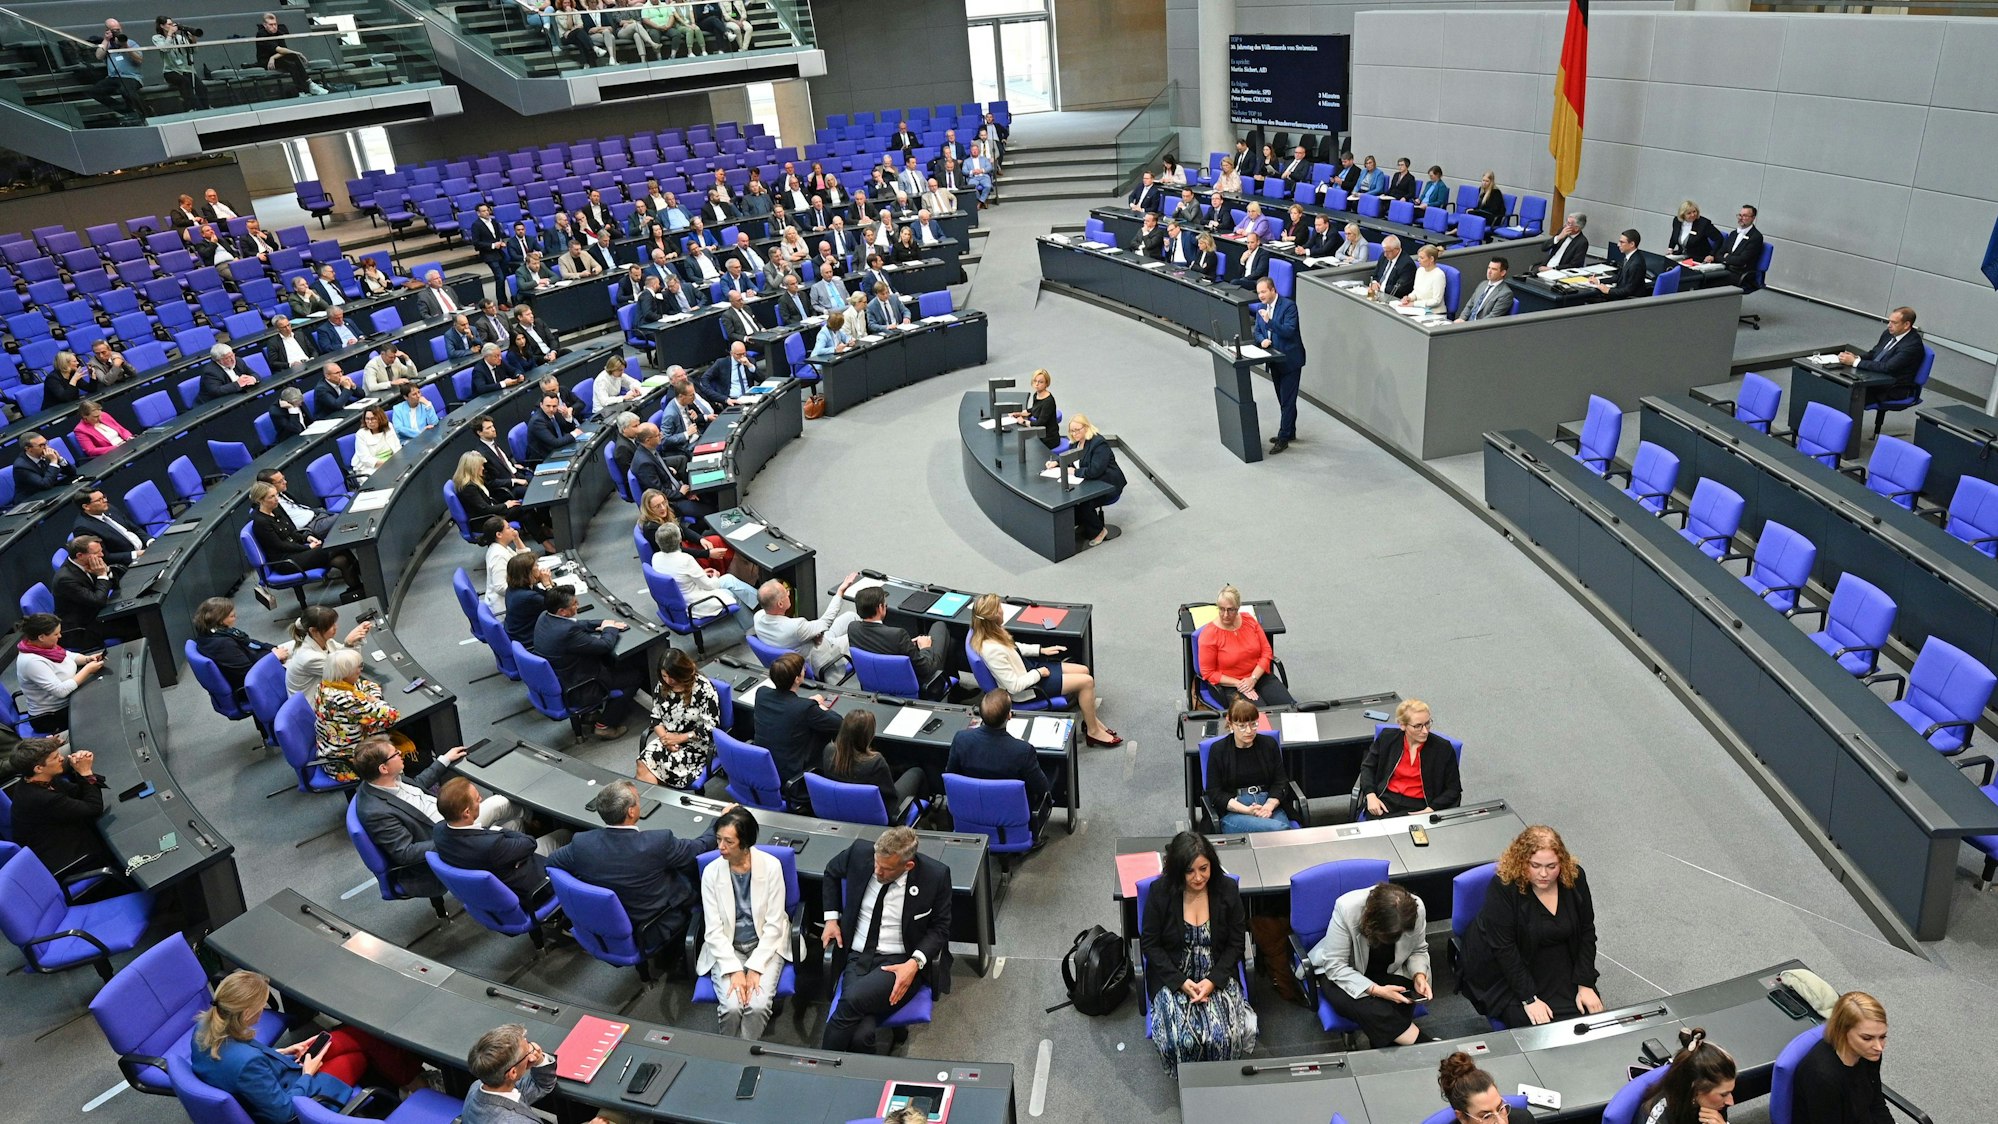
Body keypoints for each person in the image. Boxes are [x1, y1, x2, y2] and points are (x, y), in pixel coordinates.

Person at [195, 970, 423, 1123]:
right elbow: (284, 1113)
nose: (265, 1006)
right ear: (246, 1013)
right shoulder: (247, 1063)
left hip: (279, 1075)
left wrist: (282, 1051)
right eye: (262, 1004)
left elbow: (244, 1059)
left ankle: (410, 1081)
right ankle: (416, 1084)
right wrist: (307, 1074)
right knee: (362, 1051)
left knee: (360, 1037)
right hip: (303, 1098)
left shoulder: (205, 1028)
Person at [820, 826, 954, 1053]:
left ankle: (819, 1069)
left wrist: (914, 964)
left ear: (908, 866)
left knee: (850, 1001)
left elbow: (940, 928)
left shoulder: (935, 875)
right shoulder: (859, 853)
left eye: (886, 869)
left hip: (900, 961)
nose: (877, 871)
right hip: (858, 955)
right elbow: (831, 871)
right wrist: (831, 919)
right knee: (861, 1036)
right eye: (876, 864)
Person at [547, 780, 718, 956]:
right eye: (638, 799)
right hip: (652, 926)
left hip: (607, 922)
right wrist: (718, 822)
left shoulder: (582, 844)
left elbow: (552, 863)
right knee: (696, 870)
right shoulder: (658, 842)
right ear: (631, 811)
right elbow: (700, 848)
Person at [1460, 823, 1602, 1027]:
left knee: (1587, 1019)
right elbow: (1504, 949)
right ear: (1521, 861)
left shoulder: (1575, 877)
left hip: (1557, 955)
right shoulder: (1503, 887)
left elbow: (1587, 932)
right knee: (1536, 1027)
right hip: (1508, 964)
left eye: (1552, 866)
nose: (1544, 874)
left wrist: (1585, 983)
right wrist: (1529, 998)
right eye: (1535, 866)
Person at [1139, 831, 1253, 1075]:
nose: (1198, 877)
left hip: (1217, 972)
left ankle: (1219, 1080)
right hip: (1174, 974)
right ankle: (1188, 1083)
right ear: (1178, 870)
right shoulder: (1160, 892)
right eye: (1190, 871)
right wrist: (1180, 982)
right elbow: (1150, 944)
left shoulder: (1227, 889)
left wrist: (1213, 981)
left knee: (1226, 1035)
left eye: (1204, 868)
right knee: (1178, 1040)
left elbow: (1236, 943)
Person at [968, 592, 1118, 745]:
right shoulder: (991, 650)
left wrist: (1040, 650)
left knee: (1084, 670)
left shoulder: (990, 633)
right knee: (1087, 682)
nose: (1003, 610)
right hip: (1029, 688)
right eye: (999, 608)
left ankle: (1089, 719)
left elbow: (1013, 648)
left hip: (1029, 669)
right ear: (993, 616)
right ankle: (1093, 732)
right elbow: (1014, 686)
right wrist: (1039, 673)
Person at [697, 806, 791, 1039]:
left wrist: (756, 967)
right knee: (732, 1006)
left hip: (766, 945)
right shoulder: (711, 872)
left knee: (757, 1006)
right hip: (728, 946)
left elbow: (774, 924)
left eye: (728, 841)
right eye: (718, 839)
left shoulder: (771, 867)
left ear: (745, 842)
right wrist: (734, 969)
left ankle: (745, 1051)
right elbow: (714, 930)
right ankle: (728, 1050)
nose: (720, 847)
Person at [1308, 881, 1434, 1048]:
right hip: (1344, 974)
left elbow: (1418, 950)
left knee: (1402, 998)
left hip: (1390, 970)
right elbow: (1335, 965)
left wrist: (1419, 975)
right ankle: (1423, 1045)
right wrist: (1377, 991)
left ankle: (1395, 1048)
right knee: (1373, 1009)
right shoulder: (1346, 908)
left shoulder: (1416, 910)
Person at [353, 738, 476, 901]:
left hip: (450, 817)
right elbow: (405, 853)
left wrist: (444, 760)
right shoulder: (375, 812)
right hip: (447, 837)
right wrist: (453, 837)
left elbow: (416, 786)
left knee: (504, 811)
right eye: (396, 754)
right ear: (384, 768)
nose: (401, 754)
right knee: (505, 814)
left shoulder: (386, 781)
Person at [536, 586, 647, 737]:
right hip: (581, 685)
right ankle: (605, 725)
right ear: (562, 611)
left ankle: (593, 713)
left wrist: (605, 622)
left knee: (614, 662)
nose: (577, 606)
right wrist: (610, 629)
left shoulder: (545, 617)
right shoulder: (566, 632)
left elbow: (577, 625)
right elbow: (604, 646)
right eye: (574, 604)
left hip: (562, 677)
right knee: (636, 675)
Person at [433, 777, 553, 907]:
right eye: (477, 798)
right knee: (563, 835)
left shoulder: (439, 831)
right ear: (466, 812)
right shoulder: (490, 845)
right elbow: (530, 843)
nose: (481, 799)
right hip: (530, 888)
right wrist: (500, 831)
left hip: (492, 880)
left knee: (515, 824)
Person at [947, 691, 1053, 834]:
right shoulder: (1023, 751)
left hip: (971, 813)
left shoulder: (960, 739)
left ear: (980, 713)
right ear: (1009, 716)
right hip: (1010, 817)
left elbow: (950, 776)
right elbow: (1042, 788)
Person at [7, 737, 116, 876]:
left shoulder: (38, 780)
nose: (62, 758)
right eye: (55, 757)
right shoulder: (41, 798)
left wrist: (79, 770)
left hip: (60, 833)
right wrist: (86, 773)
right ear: (39, 768)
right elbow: (93, 809)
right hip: (67, 858)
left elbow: (77, 793)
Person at [248, 479, 362, 602]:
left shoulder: (276, 509)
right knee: (335, 546)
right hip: (286, 561)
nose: (277, 498)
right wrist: (308, 547)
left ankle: (359, 590)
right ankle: (365, 579)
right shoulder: (260, 522)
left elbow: (292, 530)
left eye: (276, 494)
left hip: (298, 551)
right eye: (271, 497)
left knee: (341, 560)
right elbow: (280, 546)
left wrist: (307, 537)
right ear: (260, 500)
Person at [1791, 991, 1892, 1124]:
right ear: (1842, 1031)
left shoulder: (1869, 1054)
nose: (1879, 1047)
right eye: (1867, 1038)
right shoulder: (1823, 1077)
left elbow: (1876, 1102)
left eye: (1882, 1037)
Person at [1353, 698, 1462, 817]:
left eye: (1427, 723)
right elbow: (1367, 767)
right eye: (1418, 726)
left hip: (1421, 805)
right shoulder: (1387, 738)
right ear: (1402, 725)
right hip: (1386, 799)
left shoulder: (1443, 749)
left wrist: (1432, 809)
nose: (1425, 731)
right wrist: (1371, 795)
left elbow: (1454, 789)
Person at [314, 649, 411, 783]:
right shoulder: (346, 700)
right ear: (345, 672)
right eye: (357, 668)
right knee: (397, 761)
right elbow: (392, 716)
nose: (360, 671)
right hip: (346, 763)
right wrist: (376, 701)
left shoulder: (326, 685)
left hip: (334, 749)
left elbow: (369, 685)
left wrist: (371, 699)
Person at [636, 648, 724, 790]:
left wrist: (679, 739)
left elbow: (710, 727)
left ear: (683, 672)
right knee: (642, 762)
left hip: (696, 745)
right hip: (667, 739)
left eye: (672, 676)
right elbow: (656, 718)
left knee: (655, 767)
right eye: (664, 676)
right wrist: (667, 740)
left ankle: (653, 803)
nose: (668, 681)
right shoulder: (662, 686)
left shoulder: (703, 688)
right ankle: (650, 804)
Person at [753, 653, 843, 788]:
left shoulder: (761, 693)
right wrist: (820, 706)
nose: (805, 669)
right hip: (794, 778)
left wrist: (809, 704)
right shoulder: (805, 708)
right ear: (797, 679)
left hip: (765, 769)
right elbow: (839, 723)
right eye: (802, 668)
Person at [1204, 697, 1295, 832]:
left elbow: (1280, 781)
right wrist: (1247, 810)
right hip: (1236, 809)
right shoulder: (1218, 750)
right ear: (1230, 723)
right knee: (1281, 831)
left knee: (1279, 831)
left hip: (1267, 803)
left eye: (1254, 724)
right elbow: (1215, 792)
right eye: (1242, 726)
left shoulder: (1268, 744)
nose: (1249, 731)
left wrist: (1269, 806)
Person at [460, 1025, 580, 1124]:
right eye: (527, 1051)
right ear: (513, 1072)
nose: (532, 1051)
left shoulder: (477, 1087)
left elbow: (541, 1086)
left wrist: (539, 1061)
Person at [847, 585, 949, 697]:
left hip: (874, 684)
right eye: (885, 604)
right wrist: (925, 648)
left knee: (949, 642)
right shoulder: (898, 635)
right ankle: (949, 689)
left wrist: (907, 645)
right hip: (916, 685)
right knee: (940, 626)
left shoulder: (853, 628)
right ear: (880, 608)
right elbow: (925, 669)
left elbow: (878, 644)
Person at [823, 709, 926, 819]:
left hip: (840, 806)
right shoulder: (875, 762)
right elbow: (891, 798)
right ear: (868, 735)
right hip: (881, 813)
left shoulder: (829, 750)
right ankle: (925, 815)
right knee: (917, 772)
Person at [753, 573, 859, 675]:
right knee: (863, 634)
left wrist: (812, 634)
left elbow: (803, 633)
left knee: (851, 616)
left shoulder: (758, 617)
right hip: (825, 655)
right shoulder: (795, 627)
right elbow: (825, 622)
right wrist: (840, 592)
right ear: (780, 604)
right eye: (786, 592)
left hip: (811, 643)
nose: (789, 593)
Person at [1048, 414, 1126, 549]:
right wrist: (1055, 462)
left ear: (1086, 427)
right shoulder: (1075, 442)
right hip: (1090, 482)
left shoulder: (1098, 443)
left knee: (1085, 502)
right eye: (1072, 431)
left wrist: (1074, 472)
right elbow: (1067, 457)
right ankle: (1084, 523)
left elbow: (1094, 471)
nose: (1074, 433)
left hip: (1107, 484)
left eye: (1077, 430)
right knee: (1071, 499)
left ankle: (1099, 531)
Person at [15, 614, 103, 733]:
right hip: (52, 716)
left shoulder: (43, 646)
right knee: (100, 708)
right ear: (41, 637)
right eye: (56, 634)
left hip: (70, 698)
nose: (60, 636)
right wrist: (87, 670)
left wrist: (87, 659)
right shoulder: (31, 662)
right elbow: (60, 691)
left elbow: (68, 655)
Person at [192, 596, 288, 697]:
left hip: (252, 665)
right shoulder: (223, 645)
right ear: (220, 620)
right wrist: (274, 658)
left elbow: (248, 642)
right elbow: (248, 673)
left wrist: (270, 648)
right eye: (232, 616)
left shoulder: (213, 633)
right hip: (253, 687)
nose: (235, 618)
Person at [653, 522, 755, 615]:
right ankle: (751, 627)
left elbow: (679, 575)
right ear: (679, 539)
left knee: (728, 579)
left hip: (680, 598)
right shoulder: (686, 559)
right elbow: (711, 586)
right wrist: (715, 576)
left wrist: (701, 573)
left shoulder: (655, 557)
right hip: (695, 603)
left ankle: (762, 601)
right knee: (732, 594)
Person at [53, 536, 136, 650]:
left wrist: (106, 571)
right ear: (80, 556)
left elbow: (115, 585)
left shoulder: (90, 562)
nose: (102, 555)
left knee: (136, 615)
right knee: (136, 624)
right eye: (97, 552)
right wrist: (102, 575)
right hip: (82, 629)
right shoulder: (66, 579)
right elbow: (98, 601)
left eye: (101, 550)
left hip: (96, 614)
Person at [456, 453, 554, 549]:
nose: (483, 468)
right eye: (480, 466)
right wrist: (506, 505)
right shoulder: (469, 488)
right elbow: (484, 509)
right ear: (472, 468)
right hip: (486, 520)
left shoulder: (475, 481)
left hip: (492, 512)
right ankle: (546, 539)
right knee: (524, 509)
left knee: (526, 513)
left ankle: (546, 543)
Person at [1638, 1029, 1737, 1124]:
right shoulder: (1659, 1118)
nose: (1731, 1102)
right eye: (1723, 1094)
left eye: (1730, 1092)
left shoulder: (1715, 1104)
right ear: (1694, 1089)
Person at [1253, 277, 1306, 454]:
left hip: (1290, 361)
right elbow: (1258, 331)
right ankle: (1290, 431)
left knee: (1288, 402)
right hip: (1274, 360)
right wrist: (1262, 341)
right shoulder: (1261, 308)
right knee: (1284, 400)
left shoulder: (1289, 306)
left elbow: (1289, 331)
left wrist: (1270, 321)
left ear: (1273, 290)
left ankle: (1283, 438)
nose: (1260, 296)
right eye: (1259, 292)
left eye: (1263, 292)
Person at [1840, 307, 1925, 407]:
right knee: (1835, 382)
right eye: (1889, 321)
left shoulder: (1913, 345)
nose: (1889, 325)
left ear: (1906, 325)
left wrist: (1855, 362)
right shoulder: (1889, 333)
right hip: (1875, 378)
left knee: (1846, 394)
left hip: (1892, 388)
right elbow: (1873, 353)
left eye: (1894, 323)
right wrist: (1857, 357)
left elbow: (1888, 367)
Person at [284, 605, 373, 697]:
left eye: (334, 623)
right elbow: (349, 671)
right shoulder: (310, 658)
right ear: (314, 630)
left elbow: (343, 656)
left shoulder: (324, 640)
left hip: (323, 691)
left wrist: (355, 640)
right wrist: (349, 644)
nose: (336, 627)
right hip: (314, 703)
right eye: (330, 626)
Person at [1437, 1050, 1541, 1124]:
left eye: (1500, 1108)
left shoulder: (1524, 1120)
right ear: (1462, 1118)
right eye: (1486, 1116)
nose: (1501, 1122)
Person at [72, 488, 149, 568]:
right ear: (86, 506)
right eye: (99, 500)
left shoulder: (108, 508)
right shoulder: (83, 528)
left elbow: (133, 527)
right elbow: (104, 557)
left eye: (104, 497)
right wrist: (137, 554)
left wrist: (149, 541)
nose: (105, 501)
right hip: (129, 562)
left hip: (144, 549)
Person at [255, 12, 325, 97]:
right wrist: (297, 52)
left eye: (275, 24)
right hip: (265, 61)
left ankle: (310, 84)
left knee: (293, 57)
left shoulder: (279, 32)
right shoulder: (261, 35)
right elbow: (280, 49)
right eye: (271, 25)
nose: (274, 27)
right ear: (265, 25)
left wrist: (273, 57)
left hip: (274, 59)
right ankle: (301, 91)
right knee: (291, 64)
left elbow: (284, 50)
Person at [90, 19, 146, 124]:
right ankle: (128, 112)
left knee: (126, 91)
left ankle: (145, 114)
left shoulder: (130, 43)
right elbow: (98, 56)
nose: (117, 32)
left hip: (131, 77)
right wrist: (106, 40)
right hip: (113, 77)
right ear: (108, 31)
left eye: (118, 29)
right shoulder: (107, 45)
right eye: (114, 30)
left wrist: (126, 47)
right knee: (94, 91)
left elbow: (139, 59)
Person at [153, 16, 208, 110]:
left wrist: (193, 41)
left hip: (185, 70)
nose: (172, 26)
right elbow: (164, 48)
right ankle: (195, 108)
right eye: (169, 24)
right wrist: (170, 34)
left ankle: (205, 109)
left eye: (172, 24)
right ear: (162, 26)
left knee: (201, 87)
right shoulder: (157, 38)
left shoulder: (179, 38)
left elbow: (193, 52)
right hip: (171, 71)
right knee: (185, 82)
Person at [502, 553, 552, 650]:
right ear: (528, 573)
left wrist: (550, 583)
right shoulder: (528, 597)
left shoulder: (514, 587)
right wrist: (547, 584)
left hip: (518, 635)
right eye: (536, 566)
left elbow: (546, 596)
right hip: (528, 641)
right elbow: (556, 606)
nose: (539, 568)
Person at [1710, 205, 1764, 289]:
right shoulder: (1733, 234)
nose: (1740, 218)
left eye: (1745, 216)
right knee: (1704, 276)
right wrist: (1727, 259)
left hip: (1740, 273)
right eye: (1739, 215)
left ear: (1753, 218)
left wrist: (1726, 257)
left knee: (1711, 281)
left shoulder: (1756, 237)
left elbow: (1741, 260)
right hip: (1725, 268)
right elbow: (1719, 254)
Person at [480, 519, 529, 612]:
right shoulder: (498, 555)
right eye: (508, 527)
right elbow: (500, 587)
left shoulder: (502, 547)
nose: (512, 529)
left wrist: (516, 539)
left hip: (511, 599)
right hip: (505, 607)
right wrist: (526, 586)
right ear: (499, 534)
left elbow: (526, 560)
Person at [1004, 368, 1059, 448]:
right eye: (1035, 381)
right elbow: (1034, 409)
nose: (1037, 384)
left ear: (1046, 383)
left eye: (1040, 382)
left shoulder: (1048, 402)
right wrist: (1019, 413)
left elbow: (1040, 424)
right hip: (1041, 434)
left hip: (1048, 438)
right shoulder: (1036, 395)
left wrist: (1023, 422)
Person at [1593, 230, 1647, 299]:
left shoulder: (1636, 264)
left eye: (1622, 242)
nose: (1618, 245)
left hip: (1628, 301)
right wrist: (1599, 281)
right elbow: (1619, 277)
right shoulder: (1629, 257)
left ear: (1632, 244)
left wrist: (1608, 291)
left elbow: (1628, 290)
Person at [351, 406, 401, 481]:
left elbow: (397, 446)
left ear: (380, 419)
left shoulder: (389, 426)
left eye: (373, 419)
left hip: (391, 461)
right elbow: (366, 459)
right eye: (367, 419)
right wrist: (388, 465)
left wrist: (397, 462)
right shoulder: (361, 434)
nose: (370, 422)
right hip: (370, 468)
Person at [1458, 258, 1515, 322]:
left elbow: (1493, 316)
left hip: (1479, 327)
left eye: (1494, 269)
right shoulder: (1483, 284)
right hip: (1466, 323)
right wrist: (1461, 318)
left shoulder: (1506, 294)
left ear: (1503, 273)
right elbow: (1470, 305)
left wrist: (1471, 325)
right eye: (1489, 268)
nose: (1489, 272)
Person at [1402, 244, 1449, 312]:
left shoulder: (1438, 275)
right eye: (1419, 257)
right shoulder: (1420, 270)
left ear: (1431, 259)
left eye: (1422, 258)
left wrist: (1414, 304)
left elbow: (1436, 301)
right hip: (1419, 310)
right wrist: (1409, 298)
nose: (1418, 260)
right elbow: (1416, 292)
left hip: (1434, 313)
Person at [1368, 236, 1416, 300]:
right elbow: (1375, 274)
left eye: (1387, 251)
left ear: (1397, 250)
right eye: (1384, 251)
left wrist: (1380, 287)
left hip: (1392, 298)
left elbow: (1400, 289)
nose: (1385, 254)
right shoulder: (1384, 256)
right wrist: (1374, 283)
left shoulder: (1407, 264)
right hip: (1377, 294)